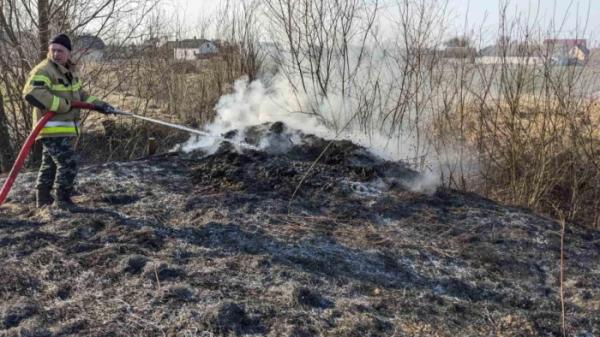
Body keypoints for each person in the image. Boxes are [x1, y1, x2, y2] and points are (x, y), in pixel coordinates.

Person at [22, 33, 116, 210]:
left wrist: (101, 105)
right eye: (53, 50)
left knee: (49, 164)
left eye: (60, 51)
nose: (56, 54)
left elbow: (82, 96)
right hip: (50, 128)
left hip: (63, 128)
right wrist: (63, 105)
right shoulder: (43, 70)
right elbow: (32, 92)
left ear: (68, 53)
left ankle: (42, 200)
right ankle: (63, 200)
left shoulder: (70, 72)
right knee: (69, 163)